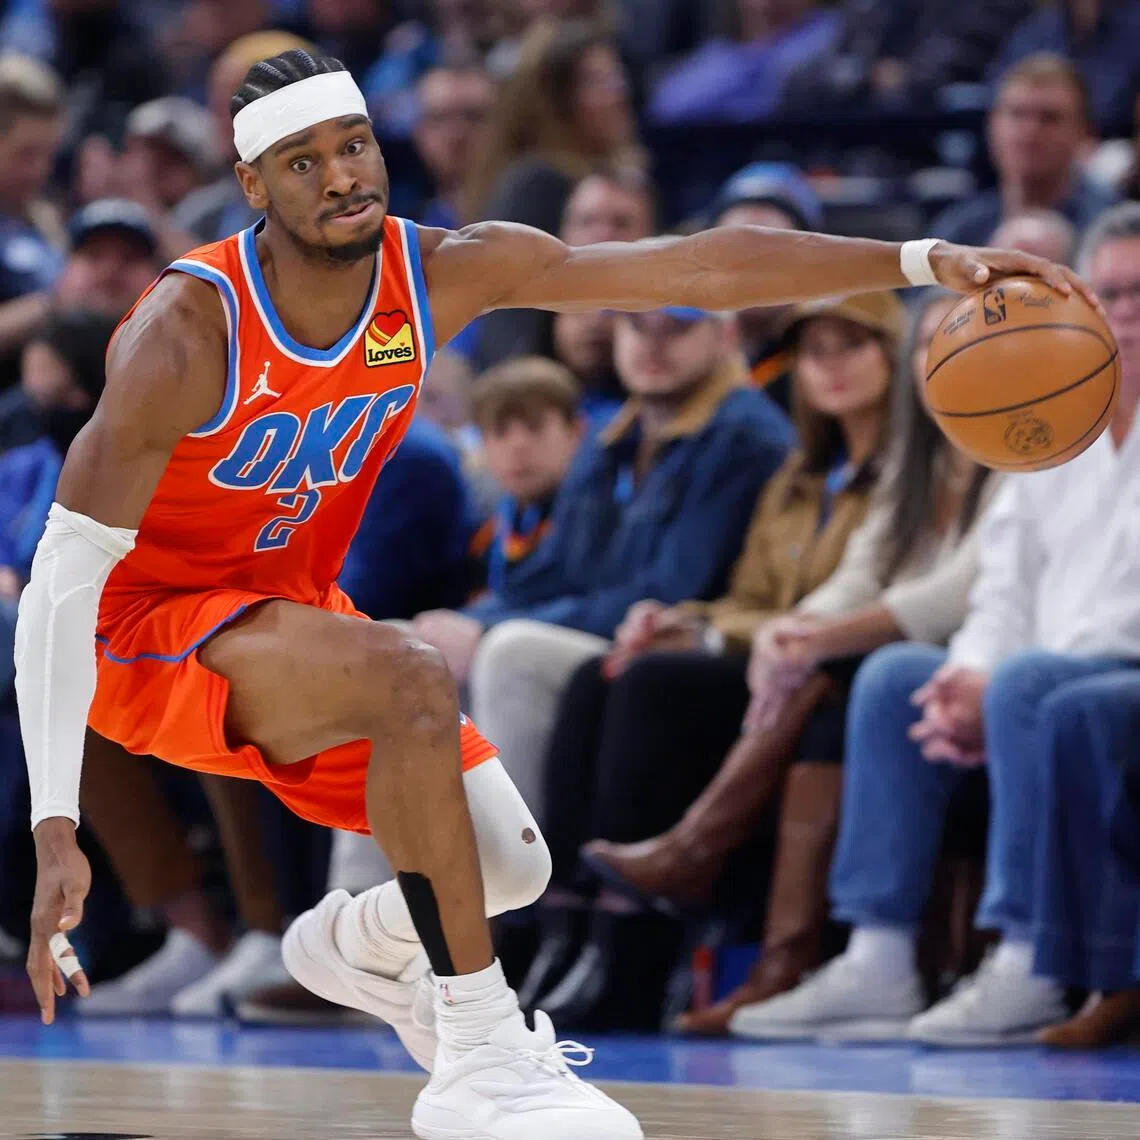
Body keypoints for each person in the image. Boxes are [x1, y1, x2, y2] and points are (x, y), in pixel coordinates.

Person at [17, 47, 1082, 1140]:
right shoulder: (189, 330)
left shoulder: (441, 271)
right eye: (303, 161)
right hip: (137, 631)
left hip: (285, 607)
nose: (341, 177)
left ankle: (359, 945)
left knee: (505, 866)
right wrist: (59, 826)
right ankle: (482, 1055)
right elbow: (56, 586)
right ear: (251, 184)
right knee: (410, 675)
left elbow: (694, 267)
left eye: (354, 146)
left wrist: (919, 258)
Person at [726, 204, 1140, 1048]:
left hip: (1105, 667)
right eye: (1113, 292)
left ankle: (1028, 959)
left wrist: (1002, 681)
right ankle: (877, 957)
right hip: (1036, 671)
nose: (1126, 312)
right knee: (894, 677)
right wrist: (968, 674)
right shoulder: (1053, 422)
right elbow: (1001, 586)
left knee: (1028, 685)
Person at [586, 290, 996, 1035]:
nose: (945, 359)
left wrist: (814, 638)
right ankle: (601, 925)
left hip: (967, 652)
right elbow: (859, 573)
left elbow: (956, 592)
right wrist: (793, 630)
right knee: (650, 677)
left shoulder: (1015, 445)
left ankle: (734, 898)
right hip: (873, 652)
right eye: (933, 344)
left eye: (963, 339)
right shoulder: (908, 457)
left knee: (838, 682)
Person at [517, 291, 902, 1031]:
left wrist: (730, 635)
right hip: (774, 655)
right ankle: (566, 925)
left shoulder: (897, 474)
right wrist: (688, 623)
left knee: (651, 685)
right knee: (598, 677)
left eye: (851, 346)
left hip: (829, 664)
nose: (830, 367)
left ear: (893, 357)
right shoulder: (798, 474)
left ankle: (632, 946)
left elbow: (870, 596)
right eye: (815, 351)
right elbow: (748, 597)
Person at [932, 53, 1118, 247]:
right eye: (1017, 114)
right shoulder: (959, 230)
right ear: (992, 124)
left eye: (1049, 118)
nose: (1030, 130)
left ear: (1084, 132)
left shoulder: (1112, 231)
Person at [466, 357, 585, 597]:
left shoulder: (593, 522)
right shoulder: (485, 533)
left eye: (535, 427)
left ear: (575, 432)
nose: (518, 446)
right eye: (500, 431)